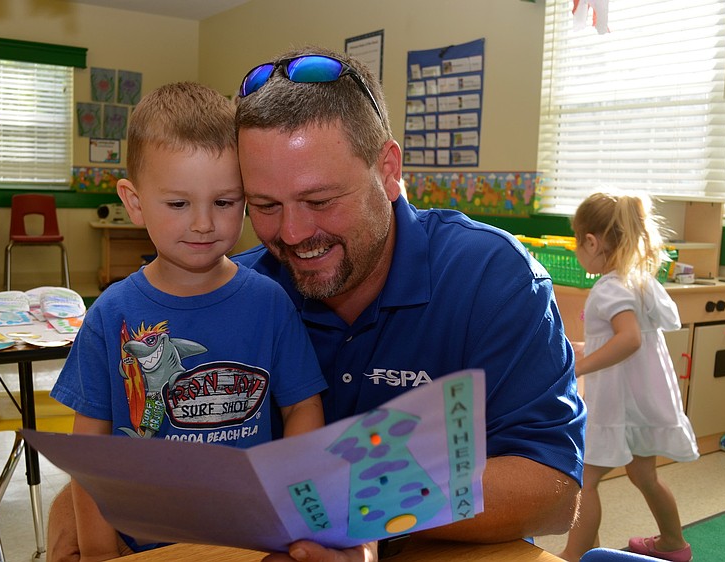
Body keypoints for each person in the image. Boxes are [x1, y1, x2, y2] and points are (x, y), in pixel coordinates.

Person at [232, 46, 586, 562]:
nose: (292, 233)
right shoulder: (241, 291)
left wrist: (361, 517)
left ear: (388, 170)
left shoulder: (492, 278)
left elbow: (552, 491)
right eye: (264, 206)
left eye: (321, 201)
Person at [47, 82, 327, 561]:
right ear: (134, 202)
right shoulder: (110, 315)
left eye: (224, 202)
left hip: (249, 541)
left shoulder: (271, 303)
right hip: (142, 547)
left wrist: (291, 507)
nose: (203, 223)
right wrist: (97, 552)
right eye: (178, 204)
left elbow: (302, 408)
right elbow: (89, 454)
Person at [557, 191, 699, 562]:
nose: (577, 250)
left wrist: (579, 367)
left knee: (584, 480)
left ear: (591, 241)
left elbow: (629, 340)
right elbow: (622, 339)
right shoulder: (636, 280)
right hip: (643, 402)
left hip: (619, 407)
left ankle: (573, 554)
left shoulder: (608, 288)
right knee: (644, 476)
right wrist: (583, 347)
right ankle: (673, 543)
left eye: (576, 241)